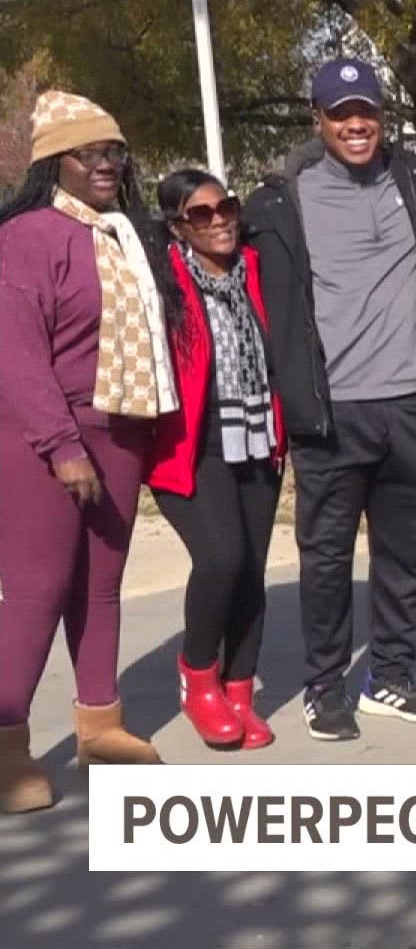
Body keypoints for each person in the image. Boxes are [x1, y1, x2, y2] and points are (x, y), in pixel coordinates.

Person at [243, 59, 416, 741]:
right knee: (328, 560)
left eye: (365, 110)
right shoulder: (281, 201)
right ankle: (324, 686)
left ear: (382, 115)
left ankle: (390, 678)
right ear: (318, 119)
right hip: (331, 412)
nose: (355, 124)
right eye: (340, 114)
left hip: (413, 408)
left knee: (403, 557)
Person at [0, 92, 175, 813]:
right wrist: (61, 445)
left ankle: (99, 726)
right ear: (53, 165)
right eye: (88, 154)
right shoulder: (27, 237)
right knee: (39, 589)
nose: (106, 164)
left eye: (114, 152)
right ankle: (7, 744)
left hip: (122, 429)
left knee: (100, 585)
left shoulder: (124, 233)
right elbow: (15, 354)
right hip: (44, 436)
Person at [145, 170, 284, 751]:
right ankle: (198, 678)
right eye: (201, 214)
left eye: (225, 206)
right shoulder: (164, 277)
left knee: (252, 569)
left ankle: (240, 689)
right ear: (179, 226)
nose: (220, 219)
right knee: (222, 559)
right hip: (191, 444)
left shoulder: (257, 267)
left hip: (256, 436)